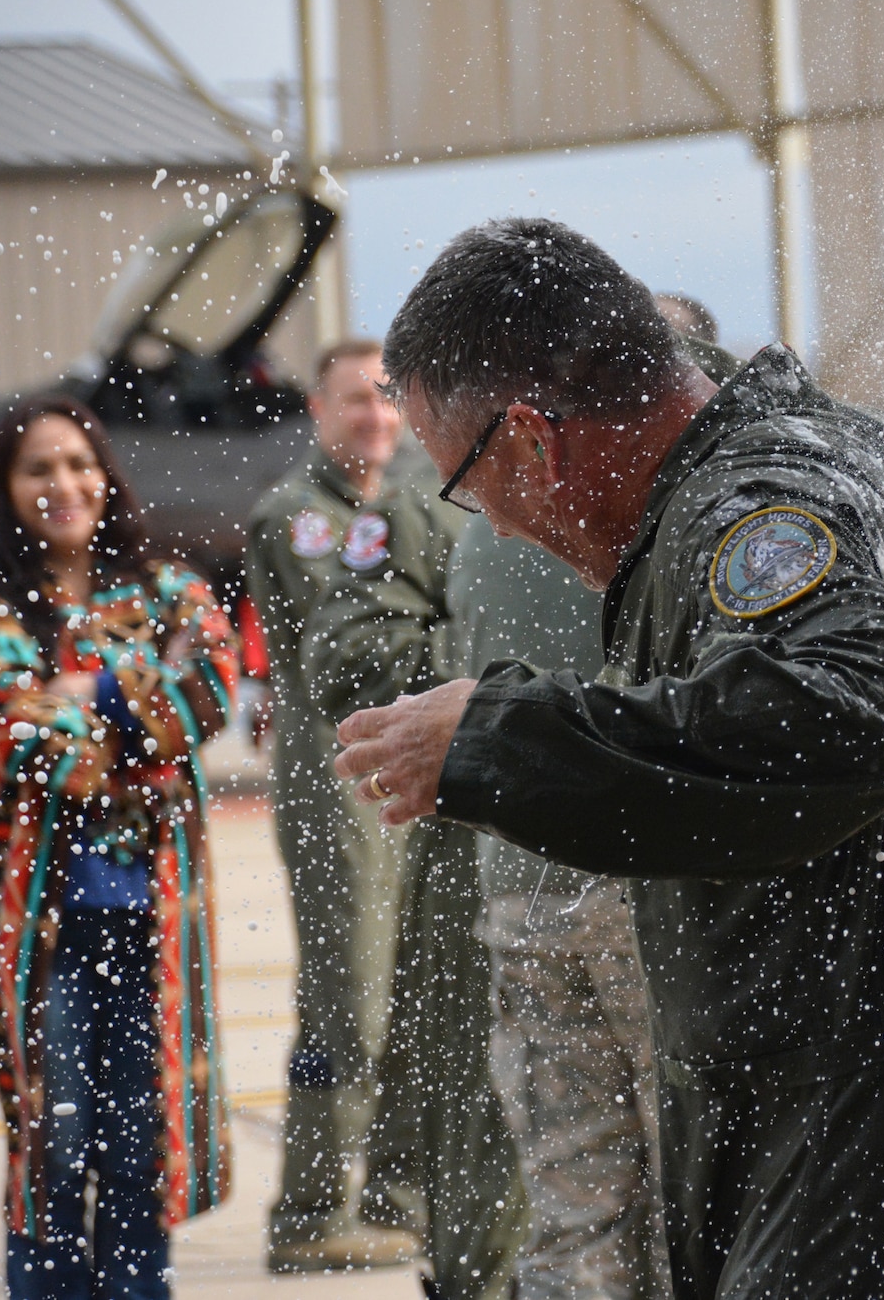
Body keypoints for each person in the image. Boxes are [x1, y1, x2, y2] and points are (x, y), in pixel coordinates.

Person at [333, 217, 884, 1300]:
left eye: (468, 487)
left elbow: (850, 717)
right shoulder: (860, 454)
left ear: (532, 441)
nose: (497, 524)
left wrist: (500, 735)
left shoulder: (753, 508)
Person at [455, 328, 737, 1300]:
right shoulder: (656, 522)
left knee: (575, 1200)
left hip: (520, 889)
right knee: (697, 1197)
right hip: (645, 895)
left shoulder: (487, 522)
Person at [0, 396, 238, 1297]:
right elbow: (11, 735)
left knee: (143, 1145)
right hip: (37, 925)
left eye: (78, 463)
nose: (63, 485)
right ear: (7, 487)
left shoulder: (167, 586)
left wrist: (84, 692)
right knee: (53, 1144)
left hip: (153, 916)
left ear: (105, 472)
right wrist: (137, 705)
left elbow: (212, 691)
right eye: (38, 469)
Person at [300, 448, 529, 1300]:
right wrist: (506, 663)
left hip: (655, 865)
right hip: (484, 854)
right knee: (489, 1119)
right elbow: (349, 658)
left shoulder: (677, 515)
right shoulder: (426, 513)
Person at [245, 337, 424, 1272]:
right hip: (335, 786)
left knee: (409, 990)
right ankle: (311, 1204)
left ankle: (395, 1191)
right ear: (317, 410)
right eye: (356, 401)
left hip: (398, 785)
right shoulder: (302, 517)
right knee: (347, 999)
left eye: (390, 399)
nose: (377, 418)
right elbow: (362, 625)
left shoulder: (404, 506)